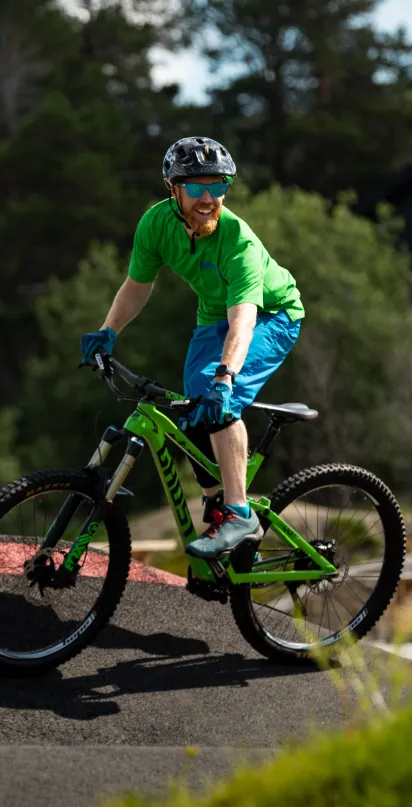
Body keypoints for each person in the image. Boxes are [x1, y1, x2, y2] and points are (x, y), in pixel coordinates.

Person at [80, 136, 305, 563]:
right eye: (196, 187)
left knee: (218, 397)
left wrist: (225, 377)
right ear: (173, 188)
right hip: (212, 316)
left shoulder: (239, 242)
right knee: (191, 412)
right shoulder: (155, 224)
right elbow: (137, 285)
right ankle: (221, 512)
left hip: (272, 315)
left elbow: (244, 320)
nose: (208, 198)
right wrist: (108, 331)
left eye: (217, 187)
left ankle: (239, 513)